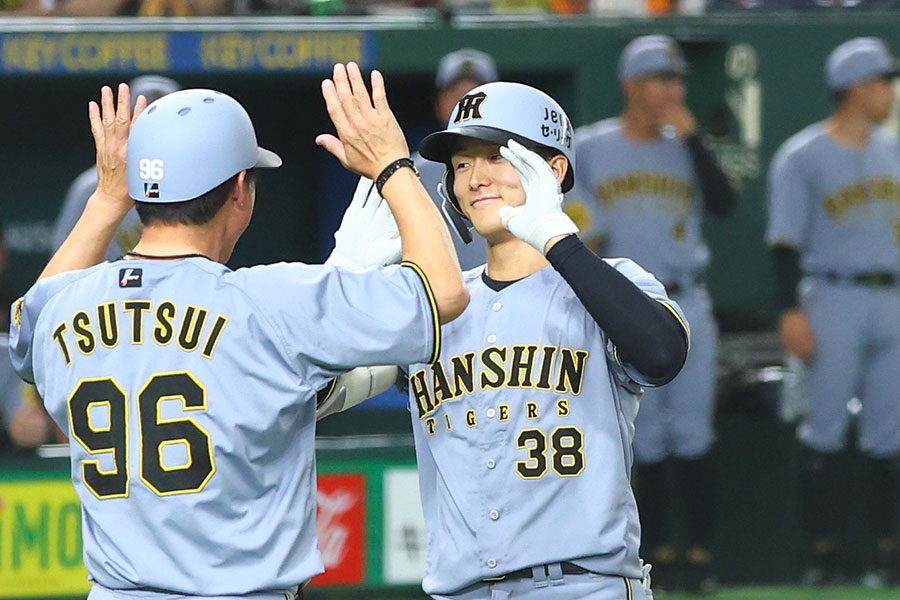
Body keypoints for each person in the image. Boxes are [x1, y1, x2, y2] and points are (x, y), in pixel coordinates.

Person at [8, 64, 467, 600]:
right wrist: (394, 167)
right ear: (240, 193)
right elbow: (446, 292)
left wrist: (109, 198)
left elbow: (26, 333)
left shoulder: (63, 307)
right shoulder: (271, 302)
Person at [331, 81, 690, 599]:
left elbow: (662, 354)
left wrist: (556, 235)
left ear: (555, 170)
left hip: (583, 586)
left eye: (497, 157)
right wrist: (342, 279)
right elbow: (317, 396)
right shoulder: (429, 305)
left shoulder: (610, 282)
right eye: (460, 164)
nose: (475, 178)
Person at [565, 34, 737, 594]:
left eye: (677, 79)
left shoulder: (687, 145)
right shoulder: (590, 147)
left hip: (686, 296)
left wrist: (691, 137)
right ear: (632, 85)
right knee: (639, 438)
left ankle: (702, 559)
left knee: (692, 433)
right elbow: (580, 228)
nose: (673, 89)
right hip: (622, 303)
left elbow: (725, 202)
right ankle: (654, 556)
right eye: (662, 79)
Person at [767, 37, 900, 588]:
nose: (890, 93)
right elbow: (783, 244)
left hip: (890, 295)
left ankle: (884, 557)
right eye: (882, 83)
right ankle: (821, 555)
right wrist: (789, 311)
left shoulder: (894, 152)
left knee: (890, 434)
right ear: (857, 88)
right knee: (823, 430)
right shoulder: (803, 155)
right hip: (832, 294)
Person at [52, 75, 180, 262]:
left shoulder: (190, 182)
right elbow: (62, 266)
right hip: (102, 290)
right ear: (126, 120)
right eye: (141, 119)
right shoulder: (91, 186)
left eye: (164, 121)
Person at [413, 48, 497, 270]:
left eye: (476, 94)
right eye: (457, 94)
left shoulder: (521, 161)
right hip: (440, 296)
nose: (466, 104)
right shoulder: (410, 172)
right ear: (439, 103)